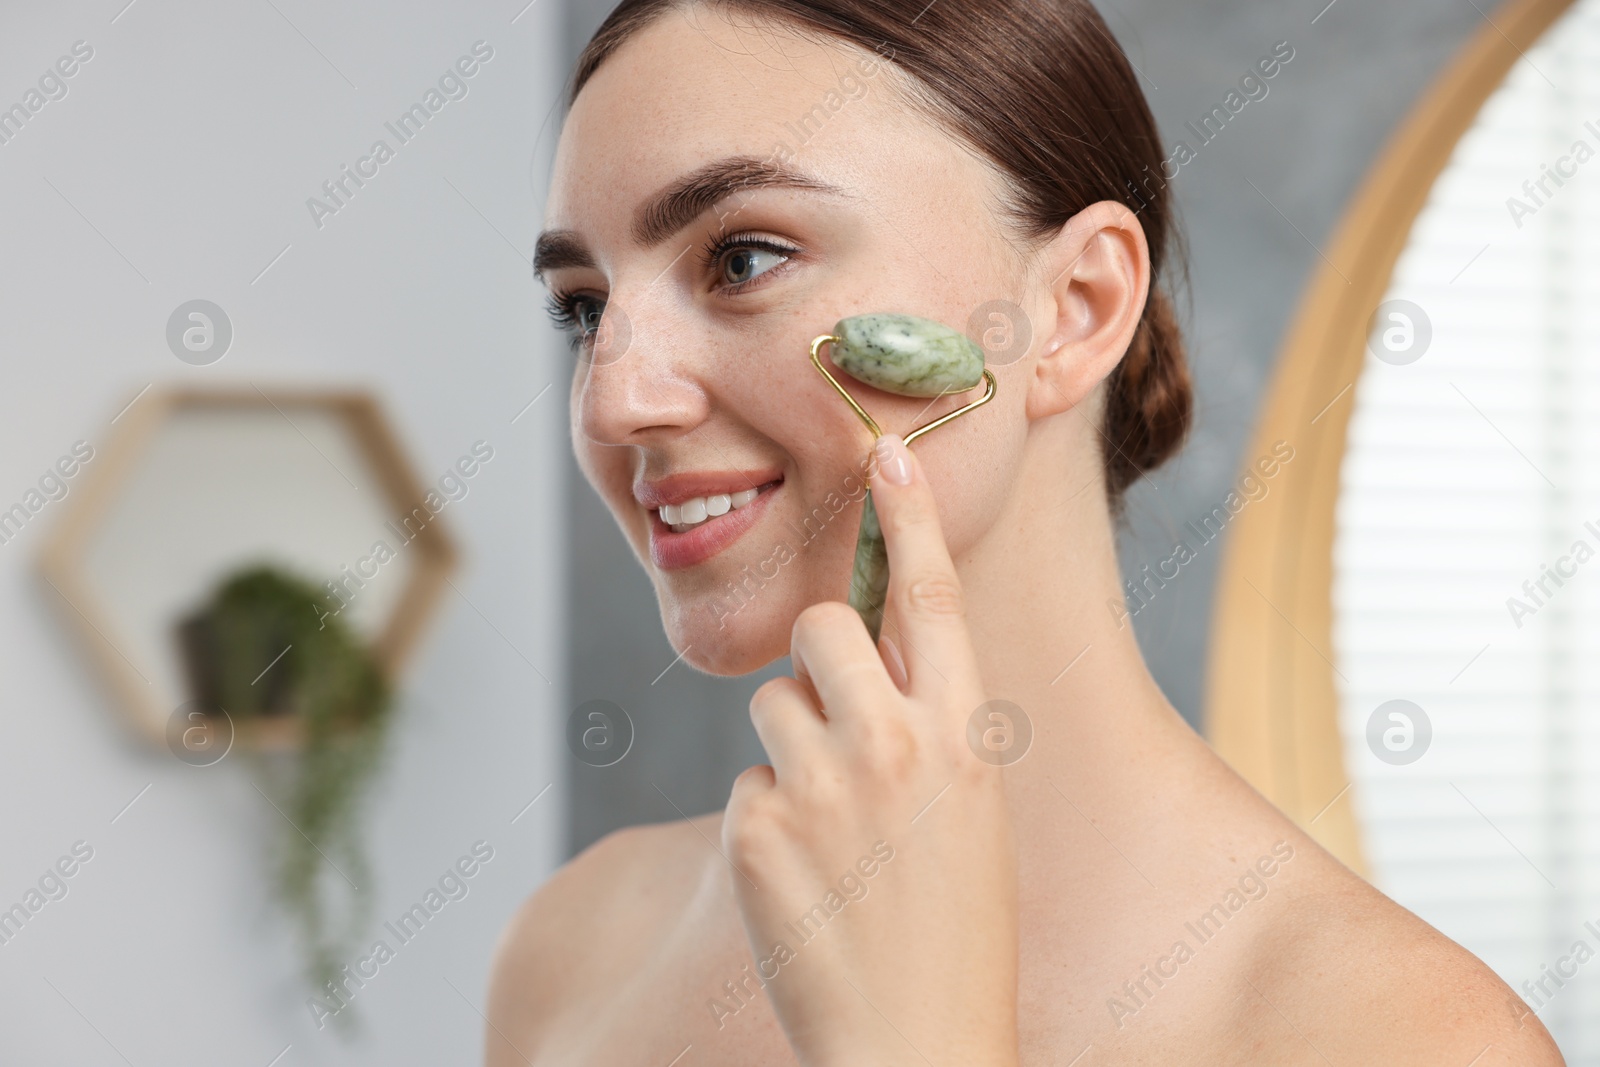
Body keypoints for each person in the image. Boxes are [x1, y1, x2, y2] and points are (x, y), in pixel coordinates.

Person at [486, 0, 1566, 1062]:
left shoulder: (1404, 1037)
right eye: (583, 308)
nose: (611, 403)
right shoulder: (577, 951)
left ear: (1078, 307)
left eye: (744, 258)